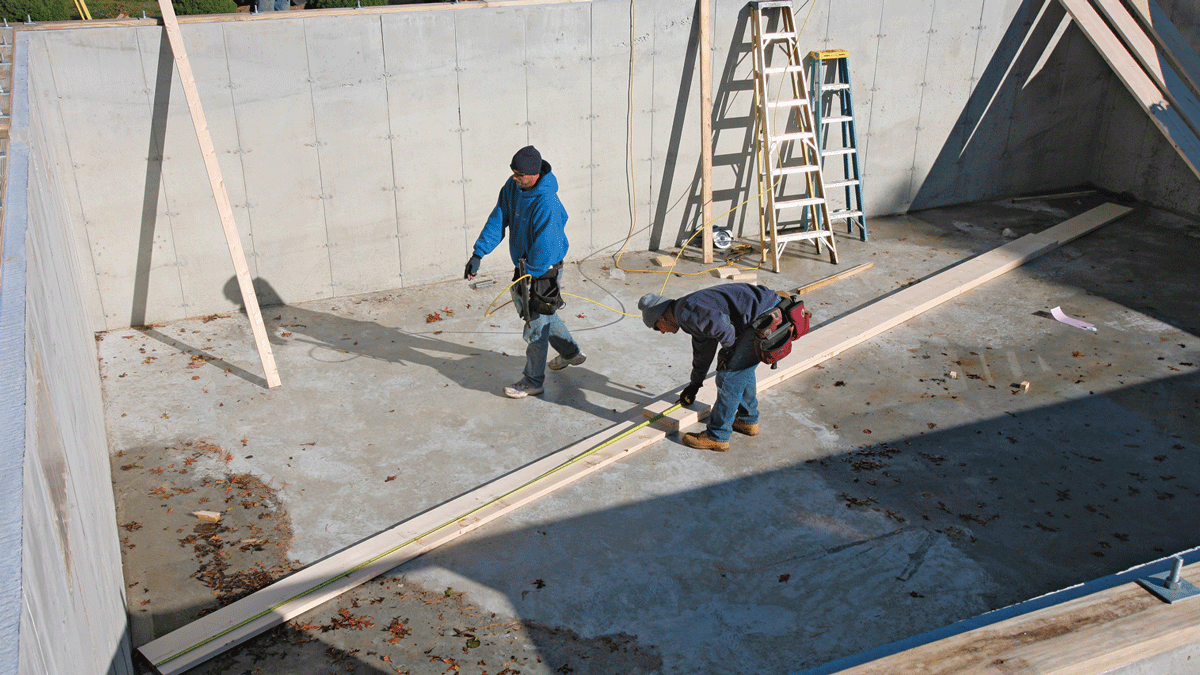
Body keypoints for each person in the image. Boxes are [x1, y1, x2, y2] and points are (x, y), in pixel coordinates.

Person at [464, 146, 586, 399]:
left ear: (535, 174)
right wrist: (478, 253)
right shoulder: (513, 187)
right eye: (513, 172)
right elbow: (499, 218)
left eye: (520, 174)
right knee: (544, 315)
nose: (515, 178)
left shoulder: (547, 203)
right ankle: (571, 353)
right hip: (526, 267)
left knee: (535, 325)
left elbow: (545, 247)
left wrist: (528, 278)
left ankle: (533, 381)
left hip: (544, 271)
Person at [638, 283, 782, 451]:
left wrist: (730, 350)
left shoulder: (686, 313)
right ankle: (747, 420)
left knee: (728, 376)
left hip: (765, 317)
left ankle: (717, 436)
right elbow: (702, 354)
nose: (662, 332)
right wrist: (694, 385)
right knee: (741, 367)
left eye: (657, 328)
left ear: (661, 318)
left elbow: (721, 325)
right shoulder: (686, 313)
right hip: (767, 310)